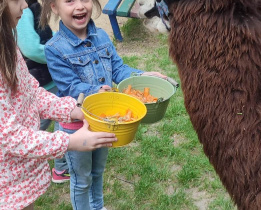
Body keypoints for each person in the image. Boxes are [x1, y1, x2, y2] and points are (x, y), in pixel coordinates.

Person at [39, 0, 167, 209]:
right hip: (76, 130)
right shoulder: (54, 48)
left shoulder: (102, 37)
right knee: (81, 180)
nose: (80, 6)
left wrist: (142, 76)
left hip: (105, 122)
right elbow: (69, 85)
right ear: (54, 7)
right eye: (70, 1)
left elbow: (118, 69)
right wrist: (95, 92)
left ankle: (97, 207)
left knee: (97, 172)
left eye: (85, 0)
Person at [0, 0, 118, 208]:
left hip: (20, 180)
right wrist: (69, 142)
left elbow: (32, 93)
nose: (25, 6)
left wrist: (74, 110)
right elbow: (7, 136)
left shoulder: (8, 44)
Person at [16, 0, 70, 184]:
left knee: (61, 120)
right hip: (40, 82)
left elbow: (45, 35)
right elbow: (31, 48)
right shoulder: (22, 10)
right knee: (36, 127)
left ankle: (62, 167)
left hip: (47, 78)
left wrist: (63, 40)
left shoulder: (33, 5)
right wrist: (59, 53)